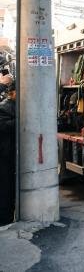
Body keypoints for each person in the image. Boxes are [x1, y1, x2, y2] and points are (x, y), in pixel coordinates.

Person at [0, 76, 16, 224]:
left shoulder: (11, 105)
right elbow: (3, 126)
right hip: (5, 154)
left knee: (9, 187)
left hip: (9, 153)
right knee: (5, 188)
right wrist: (20, 120)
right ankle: (5, 219)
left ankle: (8, 216)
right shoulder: (5, 106)